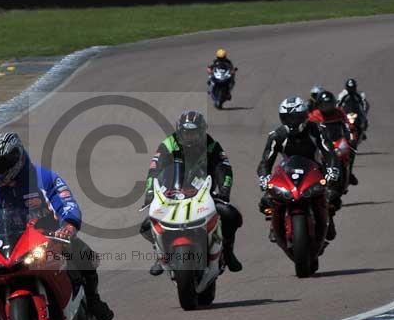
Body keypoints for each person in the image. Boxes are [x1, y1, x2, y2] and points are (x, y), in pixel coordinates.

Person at [0, 132, 114, 320]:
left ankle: (93, 301)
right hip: (7, 245)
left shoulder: (43, 177)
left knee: (84, 254)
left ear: (16, 158)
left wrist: (68, 225)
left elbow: (66, 202)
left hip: (48, 238)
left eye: (1, 164)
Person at [140, 110, 243, 274]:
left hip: (204, 193)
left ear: (202, 131)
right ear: (180, 131)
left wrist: (224, 191)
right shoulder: (168, 144)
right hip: (172, 193)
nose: (189, 137)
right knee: (146, 225)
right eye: (186, 132)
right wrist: (150, 194)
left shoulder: (212, 145)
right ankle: (159, 253)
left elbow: (224, 169)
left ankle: (228, 252)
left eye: (194, 133)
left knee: (231, 216)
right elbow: (154, 169)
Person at [257, 97, 341, 240]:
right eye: (287, 118)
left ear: (304, 116)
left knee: (333, 196)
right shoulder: (277, 136)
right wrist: (264, 177)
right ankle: (274, 224)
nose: (292, 122)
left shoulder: (318, 130)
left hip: (315, 171)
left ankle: (328, 220)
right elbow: (265, 162)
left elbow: (329, 152)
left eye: (296, 118)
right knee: (266, 200)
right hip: (287, 173)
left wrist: (332, 169)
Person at [308, 89, 358, 186]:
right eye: (324, 105)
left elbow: (348, 126)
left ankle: (349, 172)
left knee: (351, 152)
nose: (327, 108)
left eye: (329, 104)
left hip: (338, 141)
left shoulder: (339, 113)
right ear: (318, 105)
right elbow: (307, 129)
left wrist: (352, 138)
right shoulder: (314, 116)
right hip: (322, 144)